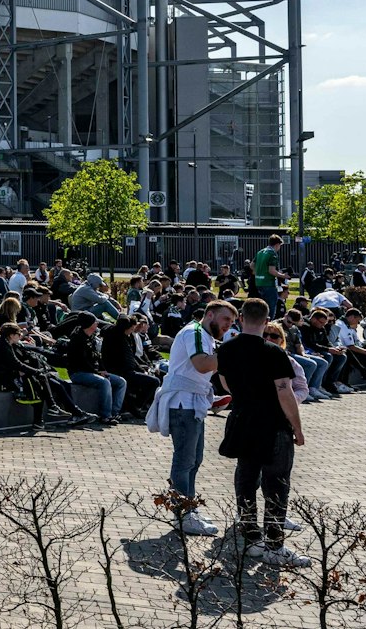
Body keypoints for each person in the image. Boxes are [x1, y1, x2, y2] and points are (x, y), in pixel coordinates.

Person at [215, 298, 309, 568]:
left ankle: (251, 536)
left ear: (240, 318)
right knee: (276, 484)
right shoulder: (274, 352)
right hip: (273, 423)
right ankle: (275, 545)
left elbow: (223, 380)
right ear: (267, 321)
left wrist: (243, 395)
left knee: (245, 479)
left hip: (242, 419)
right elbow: (284, 391)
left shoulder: (227, 349)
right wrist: (298, 427)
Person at [146, 300, 234, 535]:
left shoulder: (204, 335)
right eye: (226, 319)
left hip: (192, 403)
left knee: (194, 460)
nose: (228, 326)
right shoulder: (194, 332)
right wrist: (233, 352)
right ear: (210, 314)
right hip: (183, 403)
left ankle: (189, 508)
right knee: (184, 460)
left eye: (232, 322)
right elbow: (202, 364)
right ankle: (182, 514)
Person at [252, 234, 284, 314]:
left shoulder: (260, 252)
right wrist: (283, 275)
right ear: (277, 245)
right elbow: (272, 271)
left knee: (261, 307)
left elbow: (252, 265)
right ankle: (269, 324)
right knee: (270, 308)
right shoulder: (272, 254)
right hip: (269, 283)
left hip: (258, 283)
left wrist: (259, 271)